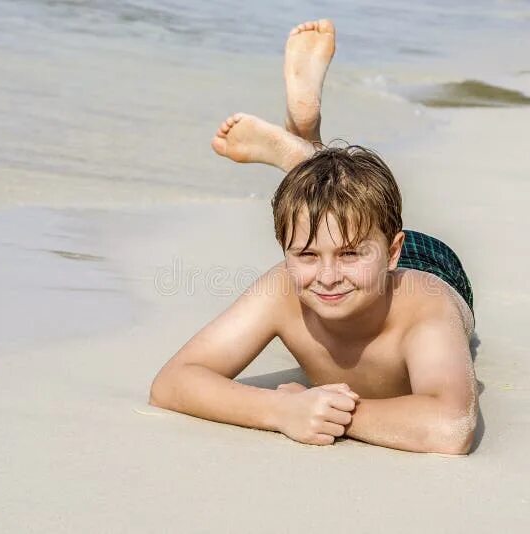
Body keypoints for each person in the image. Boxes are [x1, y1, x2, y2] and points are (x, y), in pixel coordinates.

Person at [149, 20, 478, 455]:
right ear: (285, 251)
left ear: (392, 251)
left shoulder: (424, 306)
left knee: (350, 217)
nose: (327, 276)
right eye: (304, 254)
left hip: (430, 263)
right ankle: (311, 163)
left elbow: (450, 427)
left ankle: (306, 159)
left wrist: (331, 413)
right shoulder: (283, 287)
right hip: (359, 232)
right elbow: (172, 382)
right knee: (338, 216)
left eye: (348, 255)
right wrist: (280, 412)